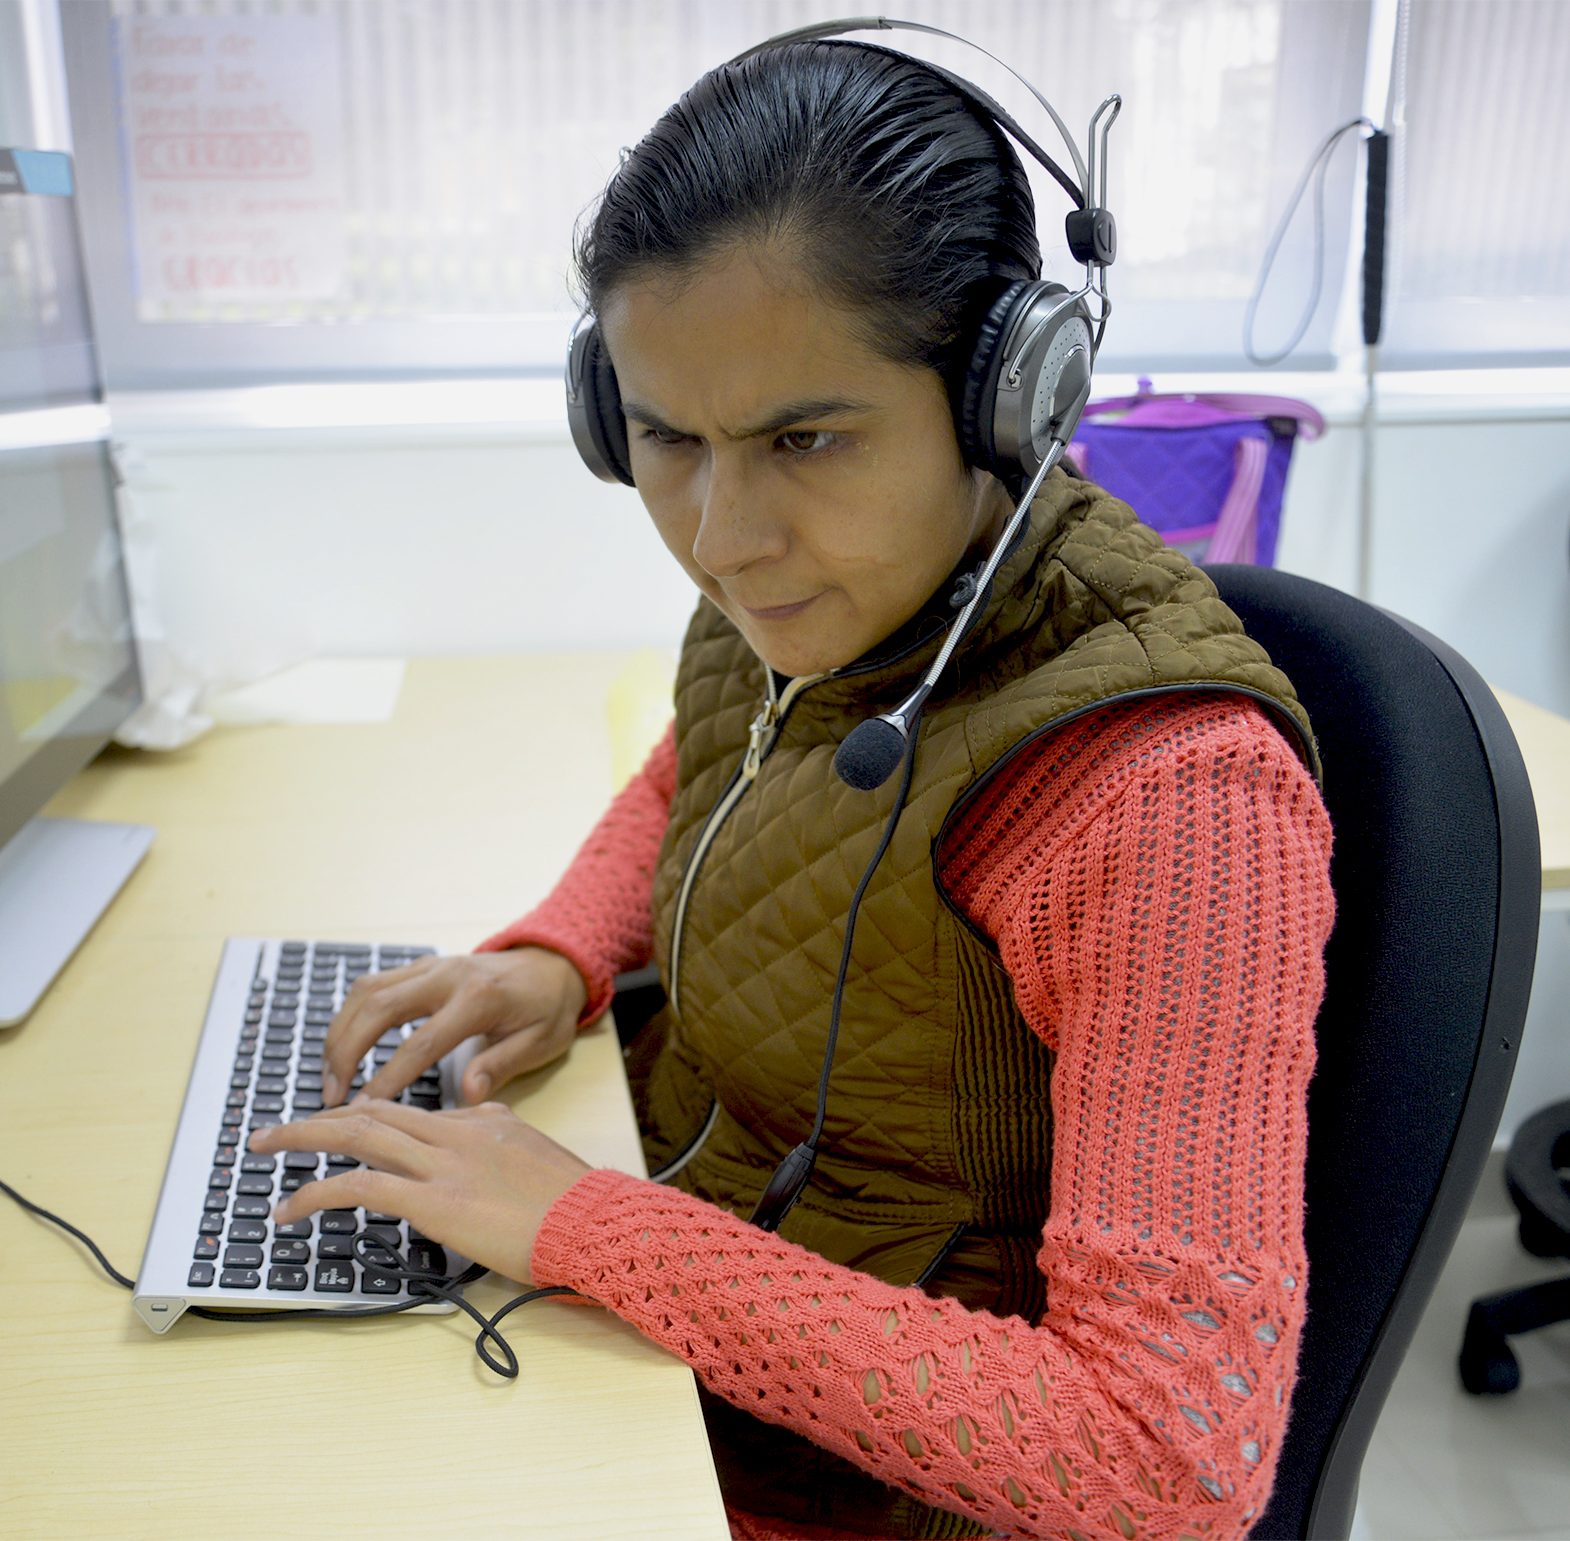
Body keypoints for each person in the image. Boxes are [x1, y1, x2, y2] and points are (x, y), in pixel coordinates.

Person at [251, 37, 1334, 1541]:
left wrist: (585, 1224)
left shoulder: (1170, 801)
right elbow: (702, 767)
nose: (721, 532)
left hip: (878, 1495)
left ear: (1003, 399)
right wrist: (552, 952)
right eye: (662, 438)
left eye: (803, 438)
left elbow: (1164, 1469)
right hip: (691, 1363)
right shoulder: (819, 589)